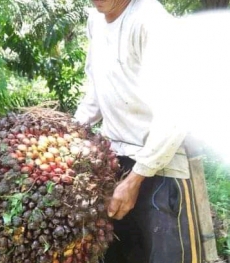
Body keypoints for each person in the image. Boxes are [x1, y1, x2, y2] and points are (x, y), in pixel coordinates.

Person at [74, 0, 202, 262]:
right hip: (116, 162)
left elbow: (176, 111)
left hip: (162, 164)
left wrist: (135, 179)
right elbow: (97, 91)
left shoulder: (151, 21)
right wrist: (69, 133)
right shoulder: (96, 21)